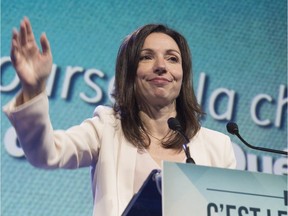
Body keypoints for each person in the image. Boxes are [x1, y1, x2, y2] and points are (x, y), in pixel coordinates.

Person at [4, 17, 236, 215]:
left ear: (183, 75)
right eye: (147, 57)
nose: (161, 66)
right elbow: (47, 154)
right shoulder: (107, 129)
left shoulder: (217, 147)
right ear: (129, 74)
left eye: (173, 58)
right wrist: (33, 89)